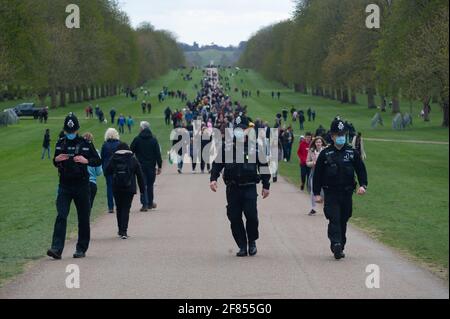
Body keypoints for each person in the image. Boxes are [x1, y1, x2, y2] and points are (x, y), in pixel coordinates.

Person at [210, 116, 271, 257]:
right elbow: (217, 164)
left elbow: (263, 167)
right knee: (234, 217)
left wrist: (266, 185)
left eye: (242, 129)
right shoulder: (227, 147)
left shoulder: (255, 147)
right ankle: (242, 245)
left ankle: (252, 241)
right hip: (233, 188)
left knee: (251, 216)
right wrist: (213, 179)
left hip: (249, 187)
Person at [47, 113, 101, 260]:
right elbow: (56, 161)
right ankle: (56, 249)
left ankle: (81, 248)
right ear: (65, 130)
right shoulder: (60, 143)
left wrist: (86, 160)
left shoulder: (86, 143)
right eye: (68, 131)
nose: (70, 133)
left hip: (82, 185)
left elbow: (97, 160)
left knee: (83, 218)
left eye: (72, 131)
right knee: (61, 215)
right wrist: (56, 159)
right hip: (64, 185)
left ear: (77, 129)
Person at [313, 119, 368, 260]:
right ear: (332, 136)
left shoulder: (352, 152)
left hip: (347, 193)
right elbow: (317, 174)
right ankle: (336, 243)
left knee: (343, 219)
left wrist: (363, 185)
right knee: (334, 218)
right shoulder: (325, 154)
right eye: (338, 134)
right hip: (331, 193)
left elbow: (361, 170)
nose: (341, 137)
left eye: (343, 134)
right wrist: (316, 193)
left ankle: (341, 244)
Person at [105, 143, 145, 239]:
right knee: (126, 209)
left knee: (119, 208)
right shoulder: (132, 159)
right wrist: (142, 189)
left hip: (116, 187)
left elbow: (106, 172)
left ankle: (120, 229)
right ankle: (124, 231)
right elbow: (140, 175)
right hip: (129, 188)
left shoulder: (113, 158)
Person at [130, 121, 163, 212]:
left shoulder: (137, 139)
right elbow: (158, 154)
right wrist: (159, 166)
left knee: (142, 185)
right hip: (151, 166)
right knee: (150, 185)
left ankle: (144, 203)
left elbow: (130, 151)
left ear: (142, 128)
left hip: (140, 165)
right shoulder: (153, 139)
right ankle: (150, 202)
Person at [101, 128, 121, 214]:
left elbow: (102, 157)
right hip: (118, 168)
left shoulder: (105, 145)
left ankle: (110, 207)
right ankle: (119, 205)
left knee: (109, 187)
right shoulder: (119, 144)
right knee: (118, 187)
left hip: (108, 168)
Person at [306, 136, 327, 216]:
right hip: (314, 172)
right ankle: (313, 208)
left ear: (322, 143)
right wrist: (313, 163)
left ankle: (326, 206)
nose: (318, 143)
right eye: (317, 142)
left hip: (324, 173)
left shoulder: (325, 151)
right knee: (312, 191)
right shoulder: (311, 151)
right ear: (314, 143)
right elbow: (307, 162)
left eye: (320, 142)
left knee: (325, 190)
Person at [83, 133, 103, 209]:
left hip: (80, 183)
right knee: (88, 207)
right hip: (92, 183)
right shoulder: (96, 153)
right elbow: (98, 172)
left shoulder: (78, 152)